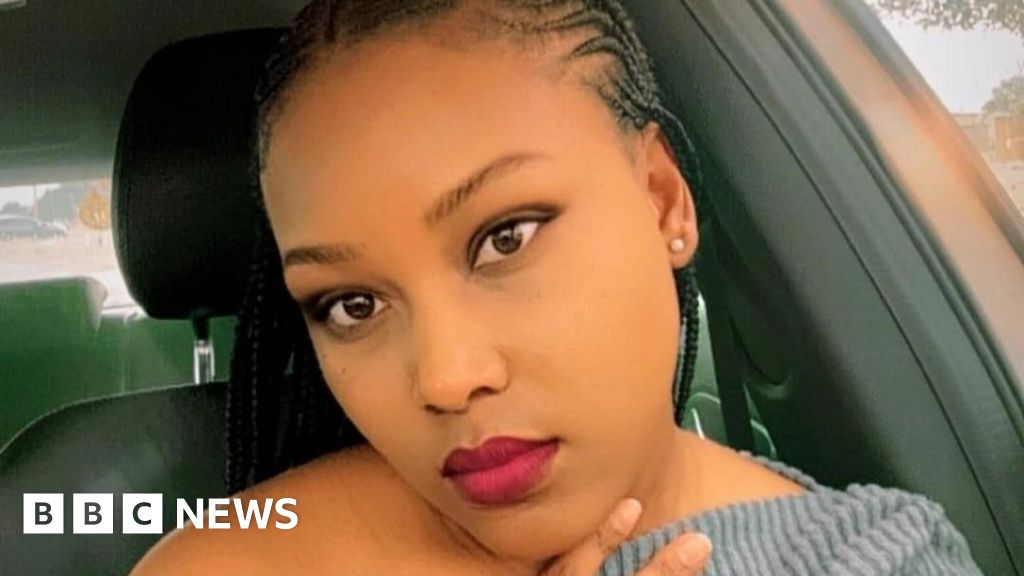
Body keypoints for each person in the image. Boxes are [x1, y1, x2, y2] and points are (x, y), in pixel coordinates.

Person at [132, 1, 983, 574]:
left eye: (506, 238)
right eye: (352, 305)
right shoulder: (236, 560)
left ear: (662, 200)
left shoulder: (865, 559)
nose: (446, 378)